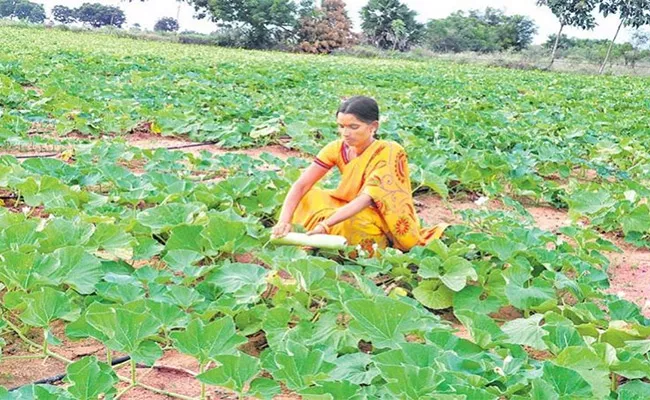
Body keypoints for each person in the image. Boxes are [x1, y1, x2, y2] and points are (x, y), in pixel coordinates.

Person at [271, 96, 447, 254]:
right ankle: (318, 235)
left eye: (354, 127)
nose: (346, 133)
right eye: (341, 126)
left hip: (377, 214)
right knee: (308, 196)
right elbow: (301, 185)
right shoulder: (336, 148)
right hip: (347, 204)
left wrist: (326, 224)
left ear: (373, 127)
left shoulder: (389, 151)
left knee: (352, 222)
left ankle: (371, 245)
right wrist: (283, 221)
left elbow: (367, 199)